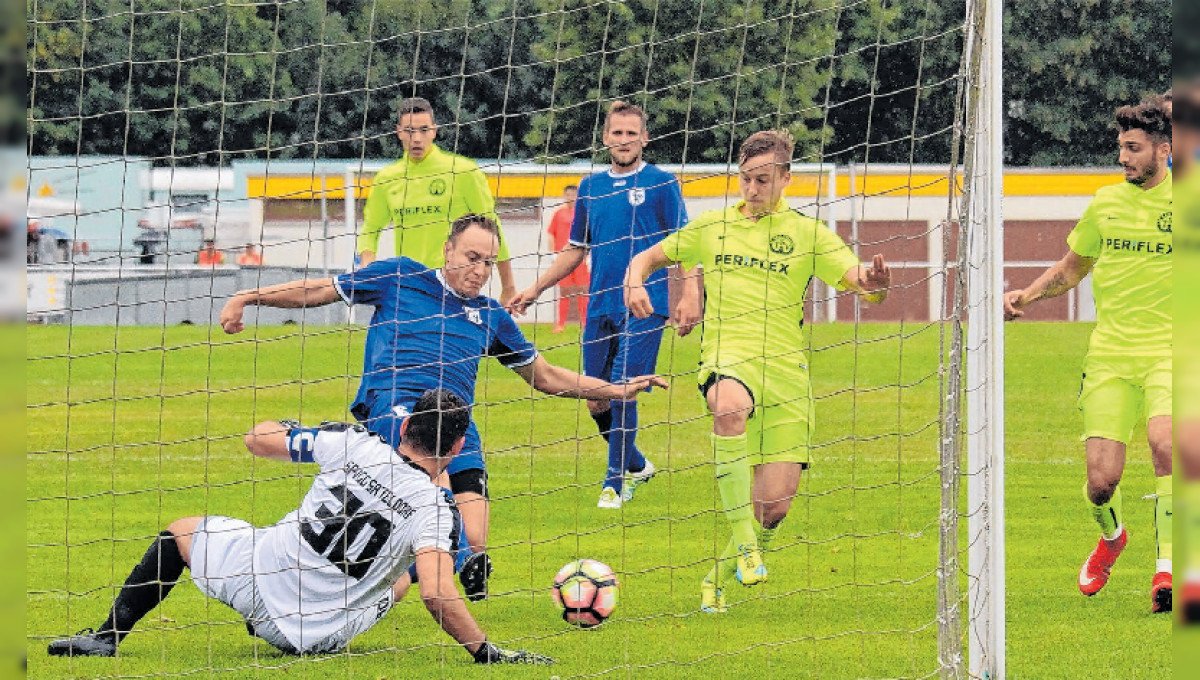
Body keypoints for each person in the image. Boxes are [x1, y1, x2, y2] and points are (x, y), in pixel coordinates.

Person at [220, 214, 668, 600]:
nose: (479, 270)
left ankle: (401, 571)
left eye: (488, 263)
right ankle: (354, 561)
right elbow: (318, 290)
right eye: (471, 258)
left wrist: (614, 390)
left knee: (472, 541)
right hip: (395, 409)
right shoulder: (399, 276)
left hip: (456, 422)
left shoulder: (492, 316)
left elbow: (546, 377)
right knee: (425, 504)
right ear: (447, 250)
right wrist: (248, 297)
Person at [47, 388, 553, 663]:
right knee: (407, 573)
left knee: (180, 532)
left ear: (403, 427)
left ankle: (108, 636)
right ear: (459, 447)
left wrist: (289, 427)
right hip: (318, 635)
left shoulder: (352, 443)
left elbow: (256, 439)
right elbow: (438, 595)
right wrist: (487, 652)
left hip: (257, 579)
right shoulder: (437, 511)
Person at [624, 130, 891, 613]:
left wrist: (875, 287)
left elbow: (861, 284)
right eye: (745, 179)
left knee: (774, 507)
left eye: (763, 179)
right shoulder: (712, 227)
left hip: (787, 374)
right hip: (728, 357)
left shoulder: (808, 233)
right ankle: (745, 545)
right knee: (729, 405)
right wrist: (634, 281)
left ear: (786, 179)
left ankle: (717, 579)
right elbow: (649, 256)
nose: (752, 189)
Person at [1003, 97, 1173, 613]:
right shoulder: (1104, 204)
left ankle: (1169, 571)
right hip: (1110, 355)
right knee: (1102, 482)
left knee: (1166, 443)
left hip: (1173, 349)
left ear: (1164, 151)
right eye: (1120, 147)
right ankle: (1113, 537)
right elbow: (1072, 268)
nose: (1122, 157)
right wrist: (1024, 296)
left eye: (1133, 148)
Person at [508, 100, 703, 509]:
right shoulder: (591, 187)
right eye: (617, 133)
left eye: (632, 133)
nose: (625, 140)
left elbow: (687, 247)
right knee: (595, 395)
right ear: (605, 138)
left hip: (647, 306)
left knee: (623, 390)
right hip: (599, 304)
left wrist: (689, 293)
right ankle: (636, 464)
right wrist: (536, 289)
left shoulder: (663, 183)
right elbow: (575, 251)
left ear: (645, 138)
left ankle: (614, 484)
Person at [358, 97, 516, 305]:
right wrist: (367, 264)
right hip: (410, 287)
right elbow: (370, 229)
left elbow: (492, 228)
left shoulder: (463, 171)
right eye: (409, 130)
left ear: (434, 130)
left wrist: (508, 286)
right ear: (398, 131)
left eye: (423, 130)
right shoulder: (387, 179)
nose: (416, 138)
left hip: (455, 284)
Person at [546, 184, 589, 333]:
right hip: (563, 258)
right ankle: (560, 324)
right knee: (564, 291)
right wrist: (553, 253)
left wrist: (588, 254)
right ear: (564, 196)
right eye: (568, 194)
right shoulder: (558, 214)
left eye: (573, 194)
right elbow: (551, 234)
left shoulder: (582, 214)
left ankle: (585, 323)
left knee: (583, 291)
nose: (571, 197)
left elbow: (589, 235)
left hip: (580, 258)